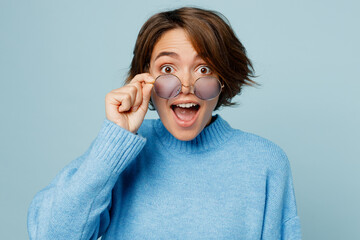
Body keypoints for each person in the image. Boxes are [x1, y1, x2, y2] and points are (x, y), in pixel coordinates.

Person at [27, 7, 301, 239]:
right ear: (145, 79)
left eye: (203, 69)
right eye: (168, 69)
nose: (186, 86)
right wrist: (114, 141)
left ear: (223, 80)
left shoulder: (265, 162)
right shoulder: (118, 153)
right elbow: (48, 233)